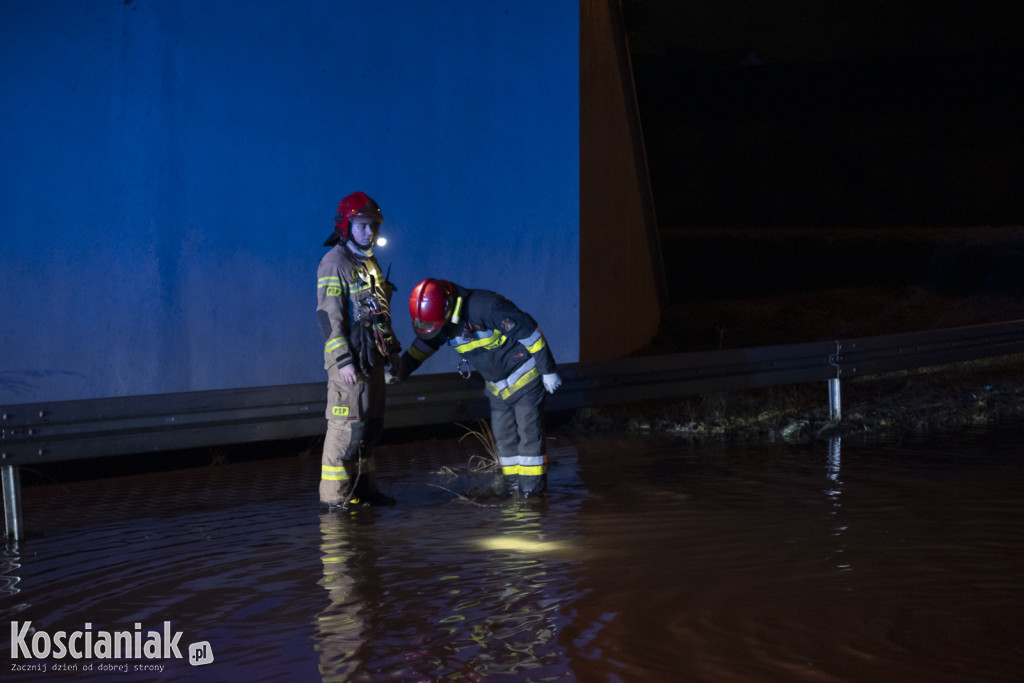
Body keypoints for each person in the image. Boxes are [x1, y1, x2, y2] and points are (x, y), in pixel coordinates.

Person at [393, 278, 562, 499]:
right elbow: (425, 345)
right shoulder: (443, 319)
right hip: (497, 387)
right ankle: (511, 489)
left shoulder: (486, 306)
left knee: (529, 441)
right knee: (505, 441)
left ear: (447, 306)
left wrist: (547, 370)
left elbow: (530, 333)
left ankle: (532, 495)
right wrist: (400, 371)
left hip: (526, 378)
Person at [316, 191, 402, 509]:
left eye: (374, 226)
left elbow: (379, 314)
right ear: (346, 226)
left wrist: (391, 351)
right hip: (349, 365)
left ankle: (364, 491)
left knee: (370, 428)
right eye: (364, 225)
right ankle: (335, 501)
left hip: (372, 360)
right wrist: (342, 361)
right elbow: (328, 316)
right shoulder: (334, 263)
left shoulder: (369, 262)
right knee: (345, 432)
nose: (371, 232)